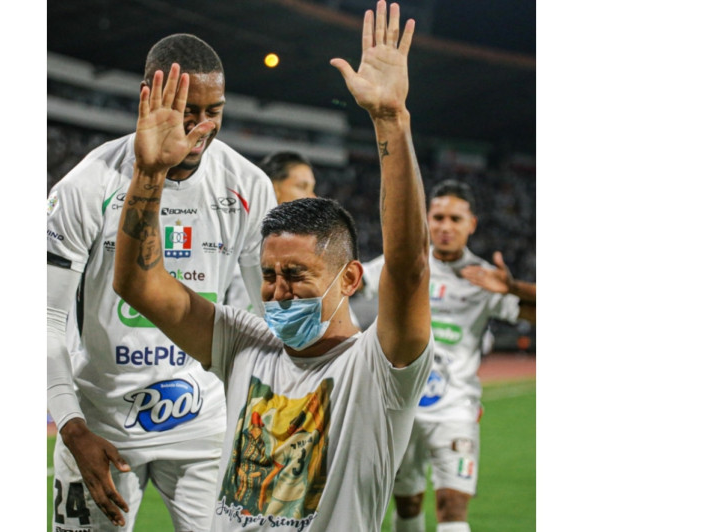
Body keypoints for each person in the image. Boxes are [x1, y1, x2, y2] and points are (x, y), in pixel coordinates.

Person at [112, 2, 433, 530]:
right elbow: (138, 283)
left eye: (297, 275)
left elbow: (408, 266)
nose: (279, 293)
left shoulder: (379, 369)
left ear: (349, 278)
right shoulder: (245, 344)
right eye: (269, 275)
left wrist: (389, 119)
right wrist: (150, 173)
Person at [46, 33, 277, 531]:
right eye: (184, 110)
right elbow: (46, 320)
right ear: (146, 97)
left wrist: (263, 408)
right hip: (103, 426)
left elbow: (268, 315)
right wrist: (71, 426)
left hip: (205, 425)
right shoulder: (88, 186)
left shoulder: (248, 184)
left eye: (213, 111)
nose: (200, 128)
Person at [360, 180, 536, 532]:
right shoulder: (402, 263)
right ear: (426, 221)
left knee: (452, 505)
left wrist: (514, 288)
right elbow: (350, 280)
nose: (445, 227)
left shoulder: (484, 278)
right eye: (438, 217)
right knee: (407, 502)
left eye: (455, 219)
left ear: (471, 224)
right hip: (400, 404)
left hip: (456, 407)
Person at [223, 151, 316, 312]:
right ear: (271, 188)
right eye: (302, 187)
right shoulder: (235, 245)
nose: (313, 197)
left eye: (312, 189)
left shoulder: (308, 256)